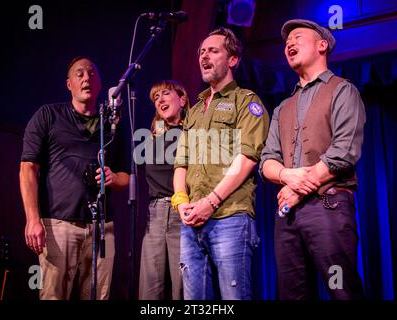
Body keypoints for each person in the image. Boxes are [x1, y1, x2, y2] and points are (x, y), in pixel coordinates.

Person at [260, 19, 366, 300]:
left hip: (328, 208)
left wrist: (296, 188)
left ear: (322, 45)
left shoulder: (342, 90)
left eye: (297, 37)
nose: (289, 44)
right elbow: (267, 160)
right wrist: (285, 176)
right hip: (288, 217)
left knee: (340, 288)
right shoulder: (282, 107)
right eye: (286, 42)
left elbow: (344, 151)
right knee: (293, 294)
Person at [19, 56, 129, 300]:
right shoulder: (48, 115)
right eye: (79, 74)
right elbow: (28, 168)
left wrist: (113, 178)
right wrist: (32, 220)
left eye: (92, 74)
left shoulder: (112, 125)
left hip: (102, 227)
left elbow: (126, 178)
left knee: (98, 295)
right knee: (54, 295)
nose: (86, 78)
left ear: (100, 84)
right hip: (58, 224)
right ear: (69, 84)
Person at [172, 27, 269, 300]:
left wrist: (211, 202)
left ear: (233, 59)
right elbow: (181, 163)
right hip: (191, 222)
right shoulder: (194, 110)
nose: (204, 55)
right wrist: (181, 203)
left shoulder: (246, 102)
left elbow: (248, 158)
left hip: (230, 218)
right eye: (201, 51)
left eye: (213, 50)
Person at [139, 80, 190, 300]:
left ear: (182, 99)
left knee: (182, 286)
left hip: (182, 211)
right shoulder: (153, 136)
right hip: (155, 214)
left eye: (165, 94)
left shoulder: (192, 130)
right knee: (150, 287)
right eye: (156, 97)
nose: (160, 99)